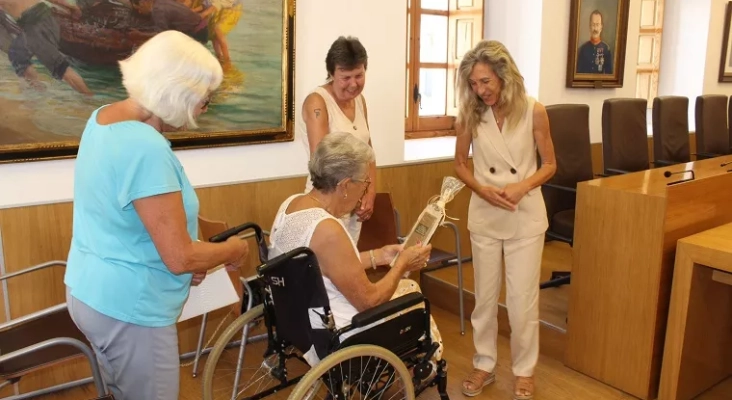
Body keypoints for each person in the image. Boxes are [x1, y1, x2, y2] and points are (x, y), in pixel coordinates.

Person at [63, 30, 249, 400]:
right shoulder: (145, 149)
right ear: (177, 93)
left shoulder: (103, 118)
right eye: (204, 100)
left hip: (90, 292)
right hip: (130, 311)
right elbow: (179, 257)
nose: (203, 110)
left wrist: (189, 256)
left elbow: (125, 219)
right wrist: (232, 251)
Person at [268, 132, 443, 368]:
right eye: (364, 182)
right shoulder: (328, 230)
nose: (365, 190)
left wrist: (378, 256)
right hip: (340, 331)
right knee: (412, 292)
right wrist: (402, 265)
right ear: (345, 185)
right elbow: (368, 302)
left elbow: (328, 265)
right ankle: (430, 365)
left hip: (295, 320)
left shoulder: (292, 204)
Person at [453, 40, 556, 400]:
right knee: (483, 298)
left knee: (522, 300)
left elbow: (550, 164)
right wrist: (482, 190)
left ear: (503, 74)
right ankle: (484, 363)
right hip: (484, 213)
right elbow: (460, 164)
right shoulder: (470, 113)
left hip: (524, 214)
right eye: (474, 84)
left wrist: (521, 186)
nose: (480, 90)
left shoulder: (533, 110)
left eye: (485, 82)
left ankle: (524, 370)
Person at [297, 36, 376, 245]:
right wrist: (349, 197)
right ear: (331, 74)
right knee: (328, 271)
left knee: (349, 268)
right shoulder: (317, 102)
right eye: (345, 77)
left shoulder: (360, 101)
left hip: (353, 202)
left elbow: (369, 151)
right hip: (328, 201)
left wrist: (370, 190)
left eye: (359, 75)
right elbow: (322, 163)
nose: (353, 84)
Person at [0, 0, 92, 95]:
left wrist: (70, 7)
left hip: (37, 21)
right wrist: (69, 7)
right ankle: (39, 91)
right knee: (18, 54)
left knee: (59, 67)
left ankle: (88, 97)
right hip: (34, 22)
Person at [576, 9, 613, 74]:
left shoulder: (606, 49)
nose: (595, 28)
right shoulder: (583, 49)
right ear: (590, 26)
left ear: (601, 27)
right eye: (593, 24)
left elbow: (609, 74)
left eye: (597, 24)